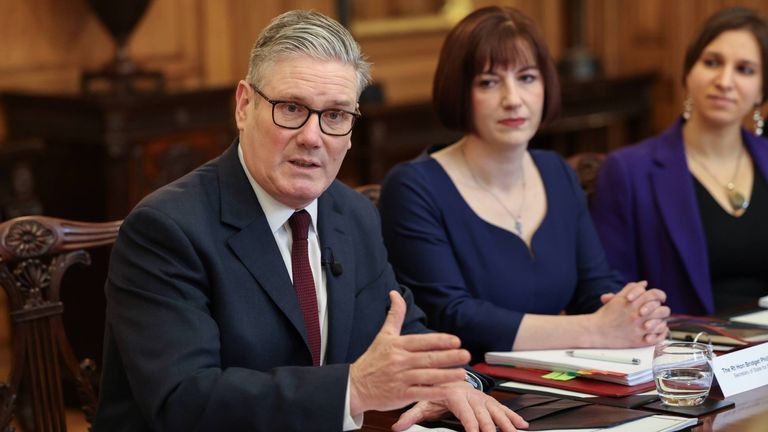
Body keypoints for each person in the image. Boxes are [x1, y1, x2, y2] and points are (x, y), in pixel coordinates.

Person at [93, 10, 528, 432]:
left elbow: (402, 332)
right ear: (244, 106)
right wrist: (352, 390)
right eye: (291, 108)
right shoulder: (166, 230)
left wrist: (452, 382)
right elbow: (183, 401)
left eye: (335, 115)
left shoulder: (353, 214)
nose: (312, 137)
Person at [379, 5, 669, 361]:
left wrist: (634, 314)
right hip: (468, 390)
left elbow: (594, 287)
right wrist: (595, 329)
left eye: (527, 78)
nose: (513, 99)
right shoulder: (413, 187)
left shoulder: (556, 172)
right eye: (489, 82)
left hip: (561, 380)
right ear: (459, 91)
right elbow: (452, 316)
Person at [591, 7, 768, 315]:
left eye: (745, 69)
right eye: (712, 63)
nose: (725, 81)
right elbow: (610, 292)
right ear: (688, 73)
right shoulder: (628, 171)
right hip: (683, 350)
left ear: (761, 92)